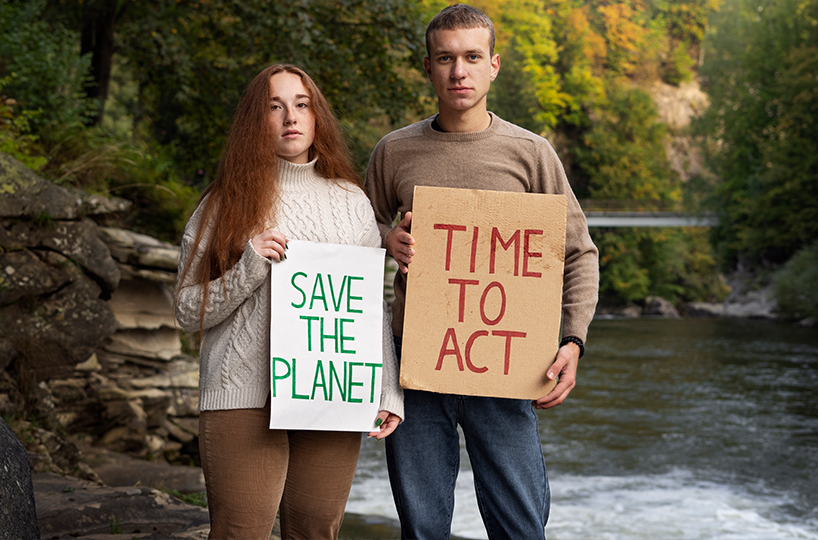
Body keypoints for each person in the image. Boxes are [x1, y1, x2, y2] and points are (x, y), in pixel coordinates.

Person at [364, 4, 599, 540]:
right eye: (446, 58)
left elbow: (579, 253)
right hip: (414, 363)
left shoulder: (531, 153)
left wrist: (572, 341)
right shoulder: (394, 151)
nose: (459, 71)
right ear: (428, 67)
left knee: (520, 526)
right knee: (422, 527)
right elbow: (356, 228)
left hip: (506, 361)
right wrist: (386, 239)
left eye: (472, 57)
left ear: (494, 65)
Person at [174, 64, 404, 540]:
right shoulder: (225, 201)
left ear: (317, 116)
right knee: (241, 533)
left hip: (331, 391)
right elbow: (185, 310)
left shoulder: (351, 201)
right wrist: (249, 265)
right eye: (274, 107)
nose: (290, 117)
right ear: (255, 121)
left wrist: (386, 390)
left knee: (316, 532)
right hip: (243, 395)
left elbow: (368, 305)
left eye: (301, 105)